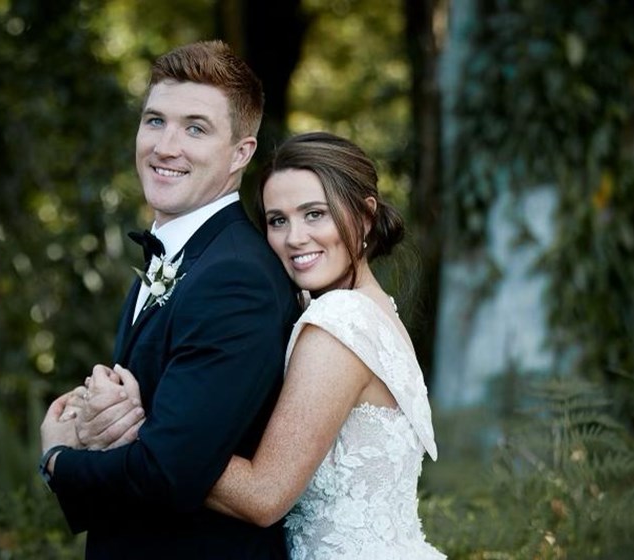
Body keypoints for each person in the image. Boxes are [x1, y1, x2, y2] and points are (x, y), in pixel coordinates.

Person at [88, 132, 445, 559]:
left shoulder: (340, 323)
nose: (295, 237)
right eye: (278, 221)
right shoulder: (375, 311)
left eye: (315, 214)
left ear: (366, 216)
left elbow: (263, 496)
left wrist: (140, 426)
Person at [39, 40, 301, 559]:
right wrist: (95, 418)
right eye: (155, 121)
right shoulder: (183, 255)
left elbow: (170, 471)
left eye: (195, 129)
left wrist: (58, 458)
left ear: (240, 153)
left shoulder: (235, 279)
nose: (165, 146)